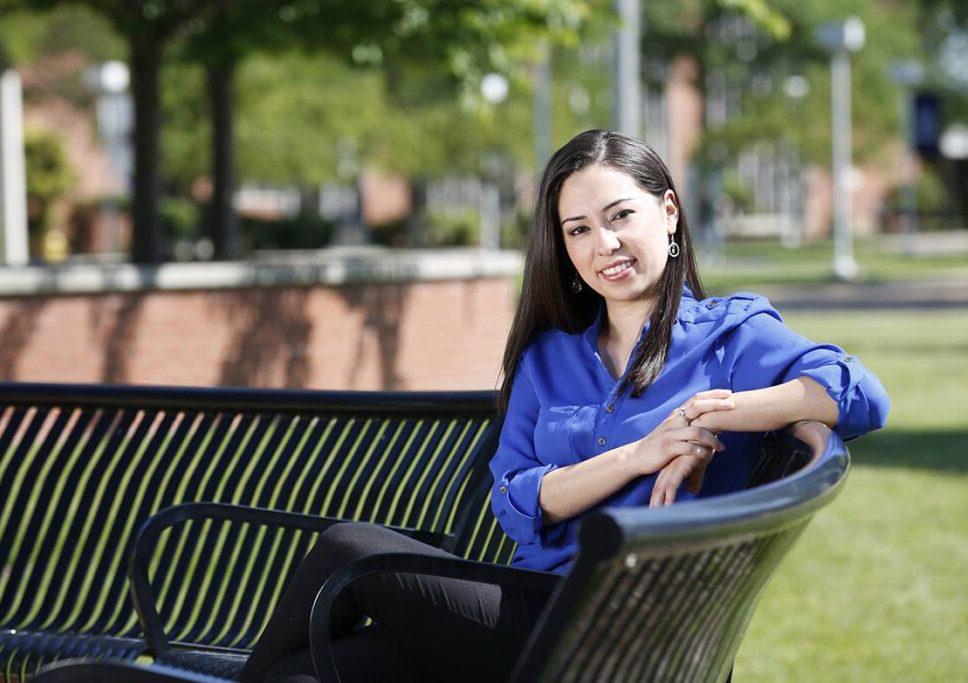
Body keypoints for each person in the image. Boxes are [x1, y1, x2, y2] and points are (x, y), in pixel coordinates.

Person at [239, 130, 889, 682]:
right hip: (527, 615)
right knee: (304, 673)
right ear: (566, 251)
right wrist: (638, 453)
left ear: (668, 212)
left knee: (350, 545)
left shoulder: (730, 335)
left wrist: (710, 412)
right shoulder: (545, 358)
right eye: (579, 229)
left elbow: (860, 392)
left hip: (615, 634)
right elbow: (515, 501)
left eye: (620, 216)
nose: (602, 243)